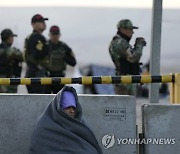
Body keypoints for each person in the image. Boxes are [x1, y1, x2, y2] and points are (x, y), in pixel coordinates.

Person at [29, 86, 103, 154]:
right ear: (59, 108)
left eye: (74, 108)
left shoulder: (81, 125)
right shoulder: (44, 127)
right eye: (67, 107)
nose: (72, 111)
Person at [109, 19, 146, 95]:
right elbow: (134, 58)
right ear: (123, 30)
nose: (132, 32)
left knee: (128, 105)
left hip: (127, 80)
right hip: (125, 82)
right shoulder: (120, 43)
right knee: (125, 105)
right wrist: (139, 45)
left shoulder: (122, 42)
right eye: (130, 29)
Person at [45, 25, 76, 94]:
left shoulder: (64, 47)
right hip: (47, 78)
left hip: (60, 77)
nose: (55, 36)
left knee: (59, 100)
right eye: (53, 34)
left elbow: (73, 62)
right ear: (49, 35)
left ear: (59, 35)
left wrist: (64, 57)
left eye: (56, 34)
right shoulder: (45, 46)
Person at [24, 14, 50, 93]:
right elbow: (37, 54)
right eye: (40, 21)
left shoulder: (38, 37)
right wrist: (48, 47)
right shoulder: (36, 37)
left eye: (43, 21)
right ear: (33, 24)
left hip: (36, 73)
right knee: (38, 100)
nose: (43, 23)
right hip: (36, 74)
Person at [0, 29, 23, 93]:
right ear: (8, 38)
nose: (13, 39)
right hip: (8, 81)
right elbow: (22, 57)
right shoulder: (11, 50)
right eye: (12, 37)